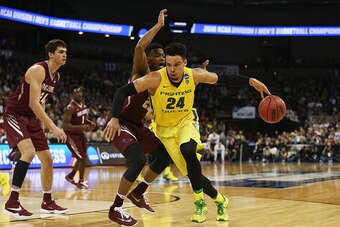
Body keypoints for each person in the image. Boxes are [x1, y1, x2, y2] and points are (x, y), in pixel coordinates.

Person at [105, 42, 271, 223]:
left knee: (188, 150)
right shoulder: (155, 78)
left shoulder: (194, 75)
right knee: (192, 173)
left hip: (185, 122)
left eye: (177, 65)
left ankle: (199, 203)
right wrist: (114, 117)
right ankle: (220, 200)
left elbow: (224, 79)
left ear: (184, 62)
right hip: (165, 130)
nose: (172, 69)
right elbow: (122, 91)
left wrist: (251, 81)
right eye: (168, 65)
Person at [104, 9, 173, 226]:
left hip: (137, 126)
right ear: (149, 58)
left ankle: (138, 192)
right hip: (121, 122)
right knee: (139, 160)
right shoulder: (142, 69)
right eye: (159, 55)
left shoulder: (161, 80)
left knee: (164, 155)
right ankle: (115, 208)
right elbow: (139, 46)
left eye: (164, 56)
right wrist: (159, 26)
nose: (162, 59)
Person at [3, 39, 68, 217]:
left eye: (65, 52)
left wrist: (41, 122)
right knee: (29, 153)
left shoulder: (57, 76)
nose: (64, 55)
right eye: (61, 52)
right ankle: (12, 202)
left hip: (32, 117)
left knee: (47, 159)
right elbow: (32, 102)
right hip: (15, 114)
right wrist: (53, 126)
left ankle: (47, 201)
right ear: (50, 54)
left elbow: (42, 100)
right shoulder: (38, 70)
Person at [63, 84, 96, 190]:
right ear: (72, 94)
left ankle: (71, 176)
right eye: (76, 92)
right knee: (81, 158)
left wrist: (89, 122)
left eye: (80, 91)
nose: (79, 93)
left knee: (82, 157)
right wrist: (82, 127)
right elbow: (65, 125)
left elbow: (82, 119)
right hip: (71, 135)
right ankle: (81, 182)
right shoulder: (70, 107)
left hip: (80, 134)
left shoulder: (82, 103)